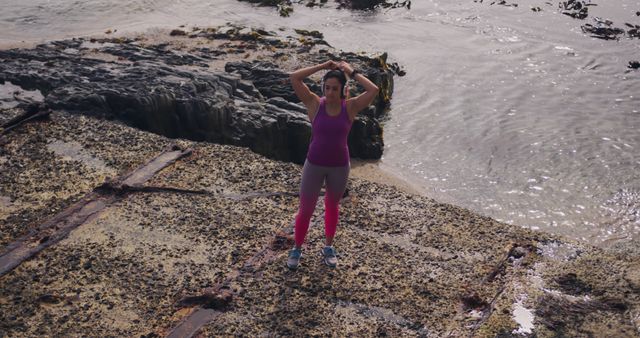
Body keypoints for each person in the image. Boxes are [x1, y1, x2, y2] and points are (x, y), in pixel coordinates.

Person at [287, 60, 379, 269]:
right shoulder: (313, 103)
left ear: (342, 90)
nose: (329, 93)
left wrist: (351, 72)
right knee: (305, 210)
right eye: (327, 88)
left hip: (339, 166)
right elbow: (294, 77)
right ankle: (297, 249)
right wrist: (322, 66)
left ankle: (328, 247)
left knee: (332, 206)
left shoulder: (351, 106)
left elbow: (373, 89)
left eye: (334, 89)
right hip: (314, 164)